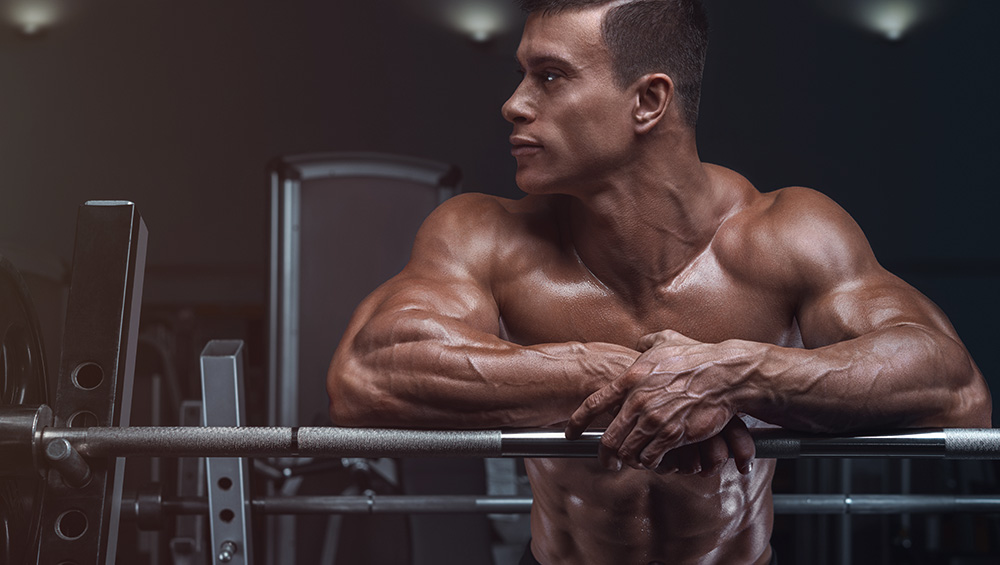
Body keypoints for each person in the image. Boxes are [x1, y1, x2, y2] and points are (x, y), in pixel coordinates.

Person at [327, 0, 992, 563]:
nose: (513, 104)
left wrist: (733, 374)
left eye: (550, 77)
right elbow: (365, 375)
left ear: (648, 100)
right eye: (522, 75)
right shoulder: (485, 235)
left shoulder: (788, 234)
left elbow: (953, 388)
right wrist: (613, 373)